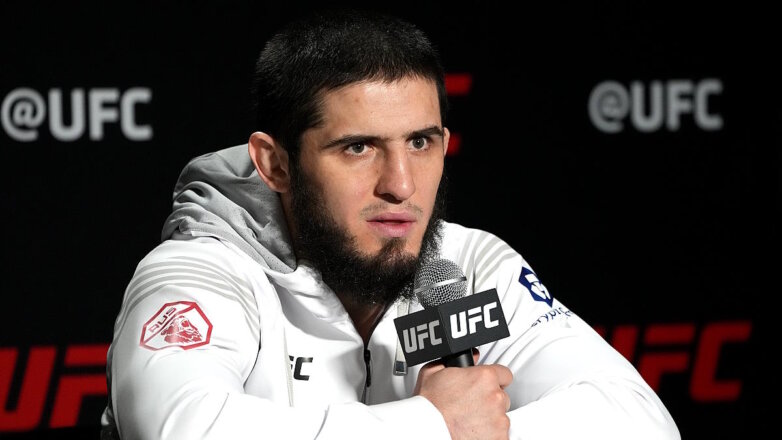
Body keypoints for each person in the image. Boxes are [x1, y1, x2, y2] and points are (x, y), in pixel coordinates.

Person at [101, 8, 680, 440]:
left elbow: (640, 422)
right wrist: (430, 425)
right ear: (275, 164)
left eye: (421, 143)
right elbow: (178, 429)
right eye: (358, 147)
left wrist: (476, 430)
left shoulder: (464, 266)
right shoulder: (201, 271)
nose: (401, 185)